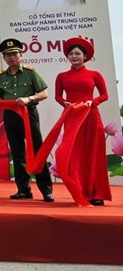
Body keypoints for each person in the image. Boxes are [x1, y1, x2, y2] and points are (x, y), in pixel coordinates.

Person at [0, 39, 54, 202]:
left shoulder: (31, 73)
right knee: (17, 154)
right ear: (4, 58)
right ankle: (23, 189)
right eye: (7, 55)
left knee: (37, 151)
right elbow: (0, 96)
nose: (11, 58)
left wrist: (29, 98)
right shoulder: (1, 77)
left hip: (29, 114)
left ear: (21, 55)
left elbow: (44, 93)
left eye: (14, 54)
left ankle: (46, 190)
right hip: (10, 116)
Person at [53, 37, 111, 206]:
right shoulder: (62, 76)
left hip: (91, 116)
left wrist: (93, 102)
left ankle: (96, 193)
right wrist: (64, 103)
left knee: (93, 153)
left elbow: (104, 95)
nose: (74, 56)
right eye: (71, 54)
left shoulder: (95, 75)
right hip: (72, 117)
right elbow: (58, 95)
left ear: (85, 56)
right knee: (75, 155)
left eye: (77, 53)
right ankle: (80, 191)